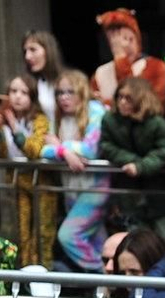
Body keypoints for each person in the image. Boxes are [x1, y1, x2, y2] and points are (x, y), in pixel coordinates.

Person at [0, 73, 55, 267]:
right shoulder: (4, 121)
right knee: (21, 234)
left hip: (41, 184)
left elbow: (33, 150)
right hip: (17, 182)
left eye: (24, 92)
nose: (17, 96)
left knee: (42, 234)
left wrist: (14, 126)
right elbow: (1, 152)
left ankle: (45, 278)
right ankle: (24, 278)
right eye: (13, 91)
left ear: (32, 97)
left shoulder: (39, 120)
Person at [42, 69, 109, 273]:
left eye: (69, 92)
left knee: (69, 235)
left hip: (95, 187)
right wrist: (64, 151)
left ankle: (103, 276)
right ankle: (107, 289)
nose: (64, 97)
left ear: (81, 91)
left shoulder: (95, 111)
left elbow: (90, 150)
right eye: (60, 93)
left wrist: (60, 146)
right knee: (97, 241)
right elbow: (44, 149)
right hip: (70, 188)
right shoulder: (58, 118)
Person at [100, 76, 165, 237]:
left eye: (128, 98)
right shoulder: (110, 120)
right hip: (128, 190)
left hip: (158, 189)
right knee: (135, 238)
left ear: (141, 100)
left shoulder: (157, 123)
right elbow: (106, 146)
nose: (122, 102)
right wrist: (131, 160)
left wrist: (141, 166)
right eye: (119, 97)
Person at [91, 8, 165, 108]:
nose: (124, 45)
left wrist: (121, 58)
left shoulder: (155, 66)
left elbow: (149, 105)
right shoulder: (101, 72)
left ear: (137, 39)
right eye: (115, 40)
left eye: (128, 39)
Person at [21, 30, 65, 128]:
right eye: (25, 52)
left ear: (48, 51)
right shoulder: (26, 84)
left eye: (33, 50)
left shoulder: (66, 81)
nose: (27, 57)